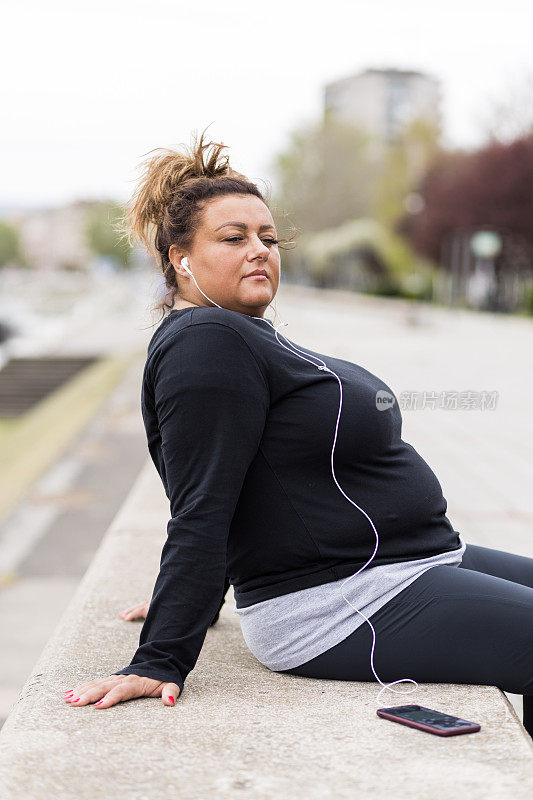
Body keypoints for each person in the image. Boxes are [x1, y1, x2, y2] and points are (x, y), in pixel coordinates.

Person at [64, 130, 533, 737]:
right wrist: (162, 654)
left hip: (403, 564)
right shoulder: (208, 343)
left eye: (268, 237)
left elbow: (248, 480)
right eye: (233, 239)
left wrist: (198, 597)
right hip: (345, 603)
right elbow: (202, 500)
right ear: (179, 258)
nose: (258, 250)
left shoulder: (237, 334)